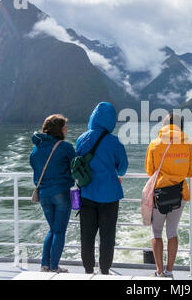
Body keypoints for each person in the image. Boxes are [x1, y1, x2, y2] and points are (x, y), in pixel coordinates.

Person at [76, 102, 128, 275]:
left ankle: (88, 270)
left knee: (87, 236)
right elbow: (122, 169)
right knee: (107, 237)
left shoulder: (82, 139)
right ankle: (105, 270)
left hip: (87, 194)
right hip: (110, 196)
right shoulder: (114, 142)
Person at [145, 113, 192, 278]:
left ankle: (159, 272)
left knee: (156, 232)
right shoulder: (187, 144)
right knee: (172, 232)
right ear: (180, 126)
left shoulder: (154, 144)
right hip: (179, 194)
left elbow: (149, 171)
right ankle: (169, 270)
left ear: (164, 126)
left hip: (159, 195)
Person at [29, 114, 76, 273]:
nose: (66, 130)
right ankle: (54, 267)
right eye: (64, 127)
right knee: (59, 231)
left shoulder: (36, 149)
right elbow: (76, 165)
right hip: (61, 193)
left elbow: (34, 168)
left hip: (43, 194)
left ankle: (44, 265)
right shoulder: (64, 147)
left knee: (53, 229)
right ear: (59, 129)